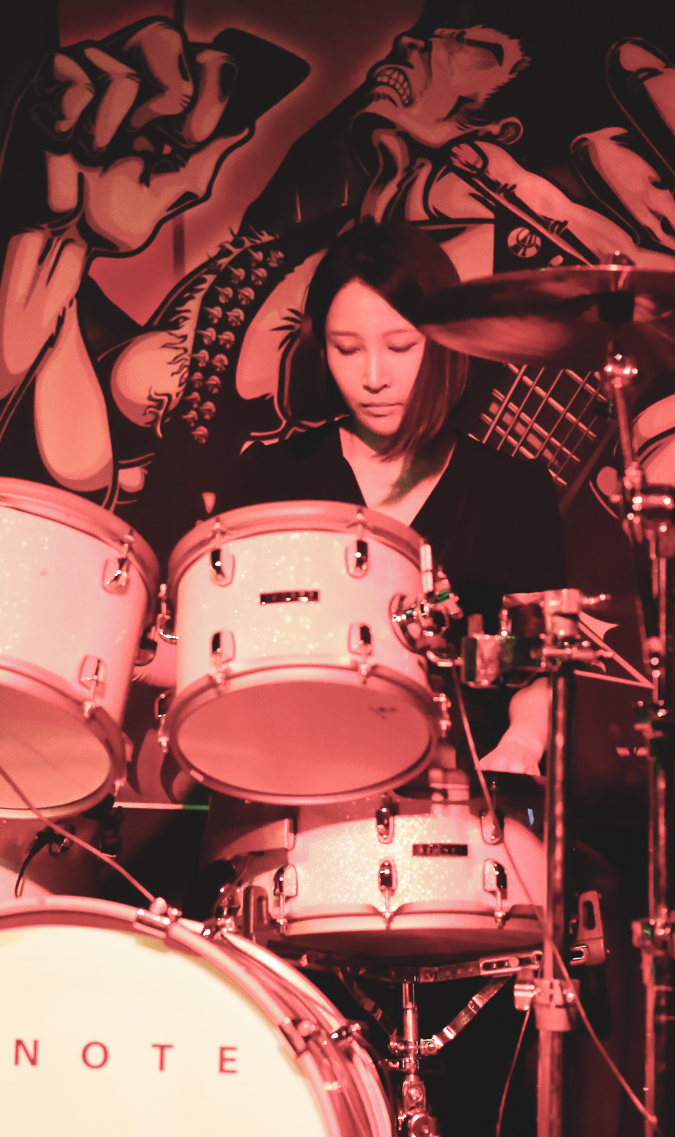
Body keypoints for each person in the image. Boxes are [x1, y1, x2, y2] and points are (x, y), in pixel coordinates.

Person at [213, 218, 566, 775]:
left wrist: (519, 749)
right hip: (293, 780)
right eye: (347, 349)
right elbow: (210, 646)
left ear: (446, 341)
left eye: (400, 346)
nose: (373, 376)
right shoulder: (271, 480)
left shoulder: (510, 492)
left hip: (461, 799)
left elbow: (536, 668)